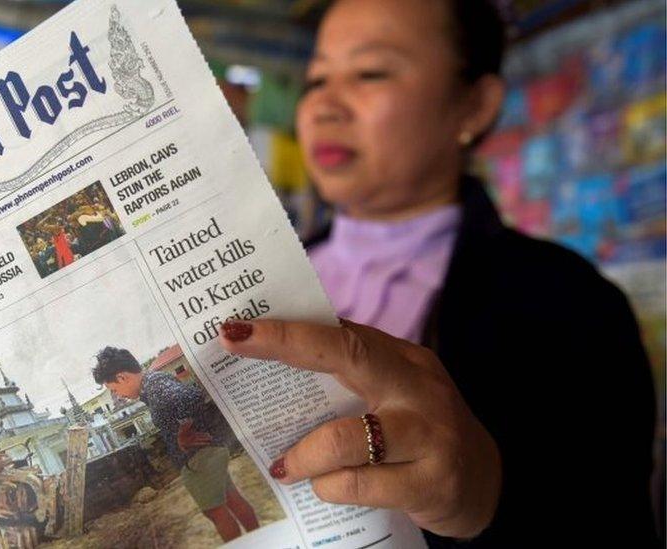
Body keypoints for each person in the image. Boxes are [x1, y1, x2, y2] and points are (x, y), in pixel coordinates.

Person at [218, 0, 658, 547]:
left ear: (473, 105)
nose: (323, 107)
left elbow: (615, 522)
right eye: (317, 79)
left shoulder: (570, 302)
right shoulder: (265, 278)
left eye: (370, 73)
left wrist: (488, 496)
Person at [92, 347, 260, 542]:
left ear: (122, 377)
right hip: (206, 453)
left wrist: (184, 430)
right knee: (232, 499)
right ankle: (261, 539)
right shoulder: (154, 383)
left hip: (198, 459)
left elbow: (190, 397)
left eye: (114, 390)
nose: (118, 396)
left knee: (217, 513)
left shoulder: (154, 385)